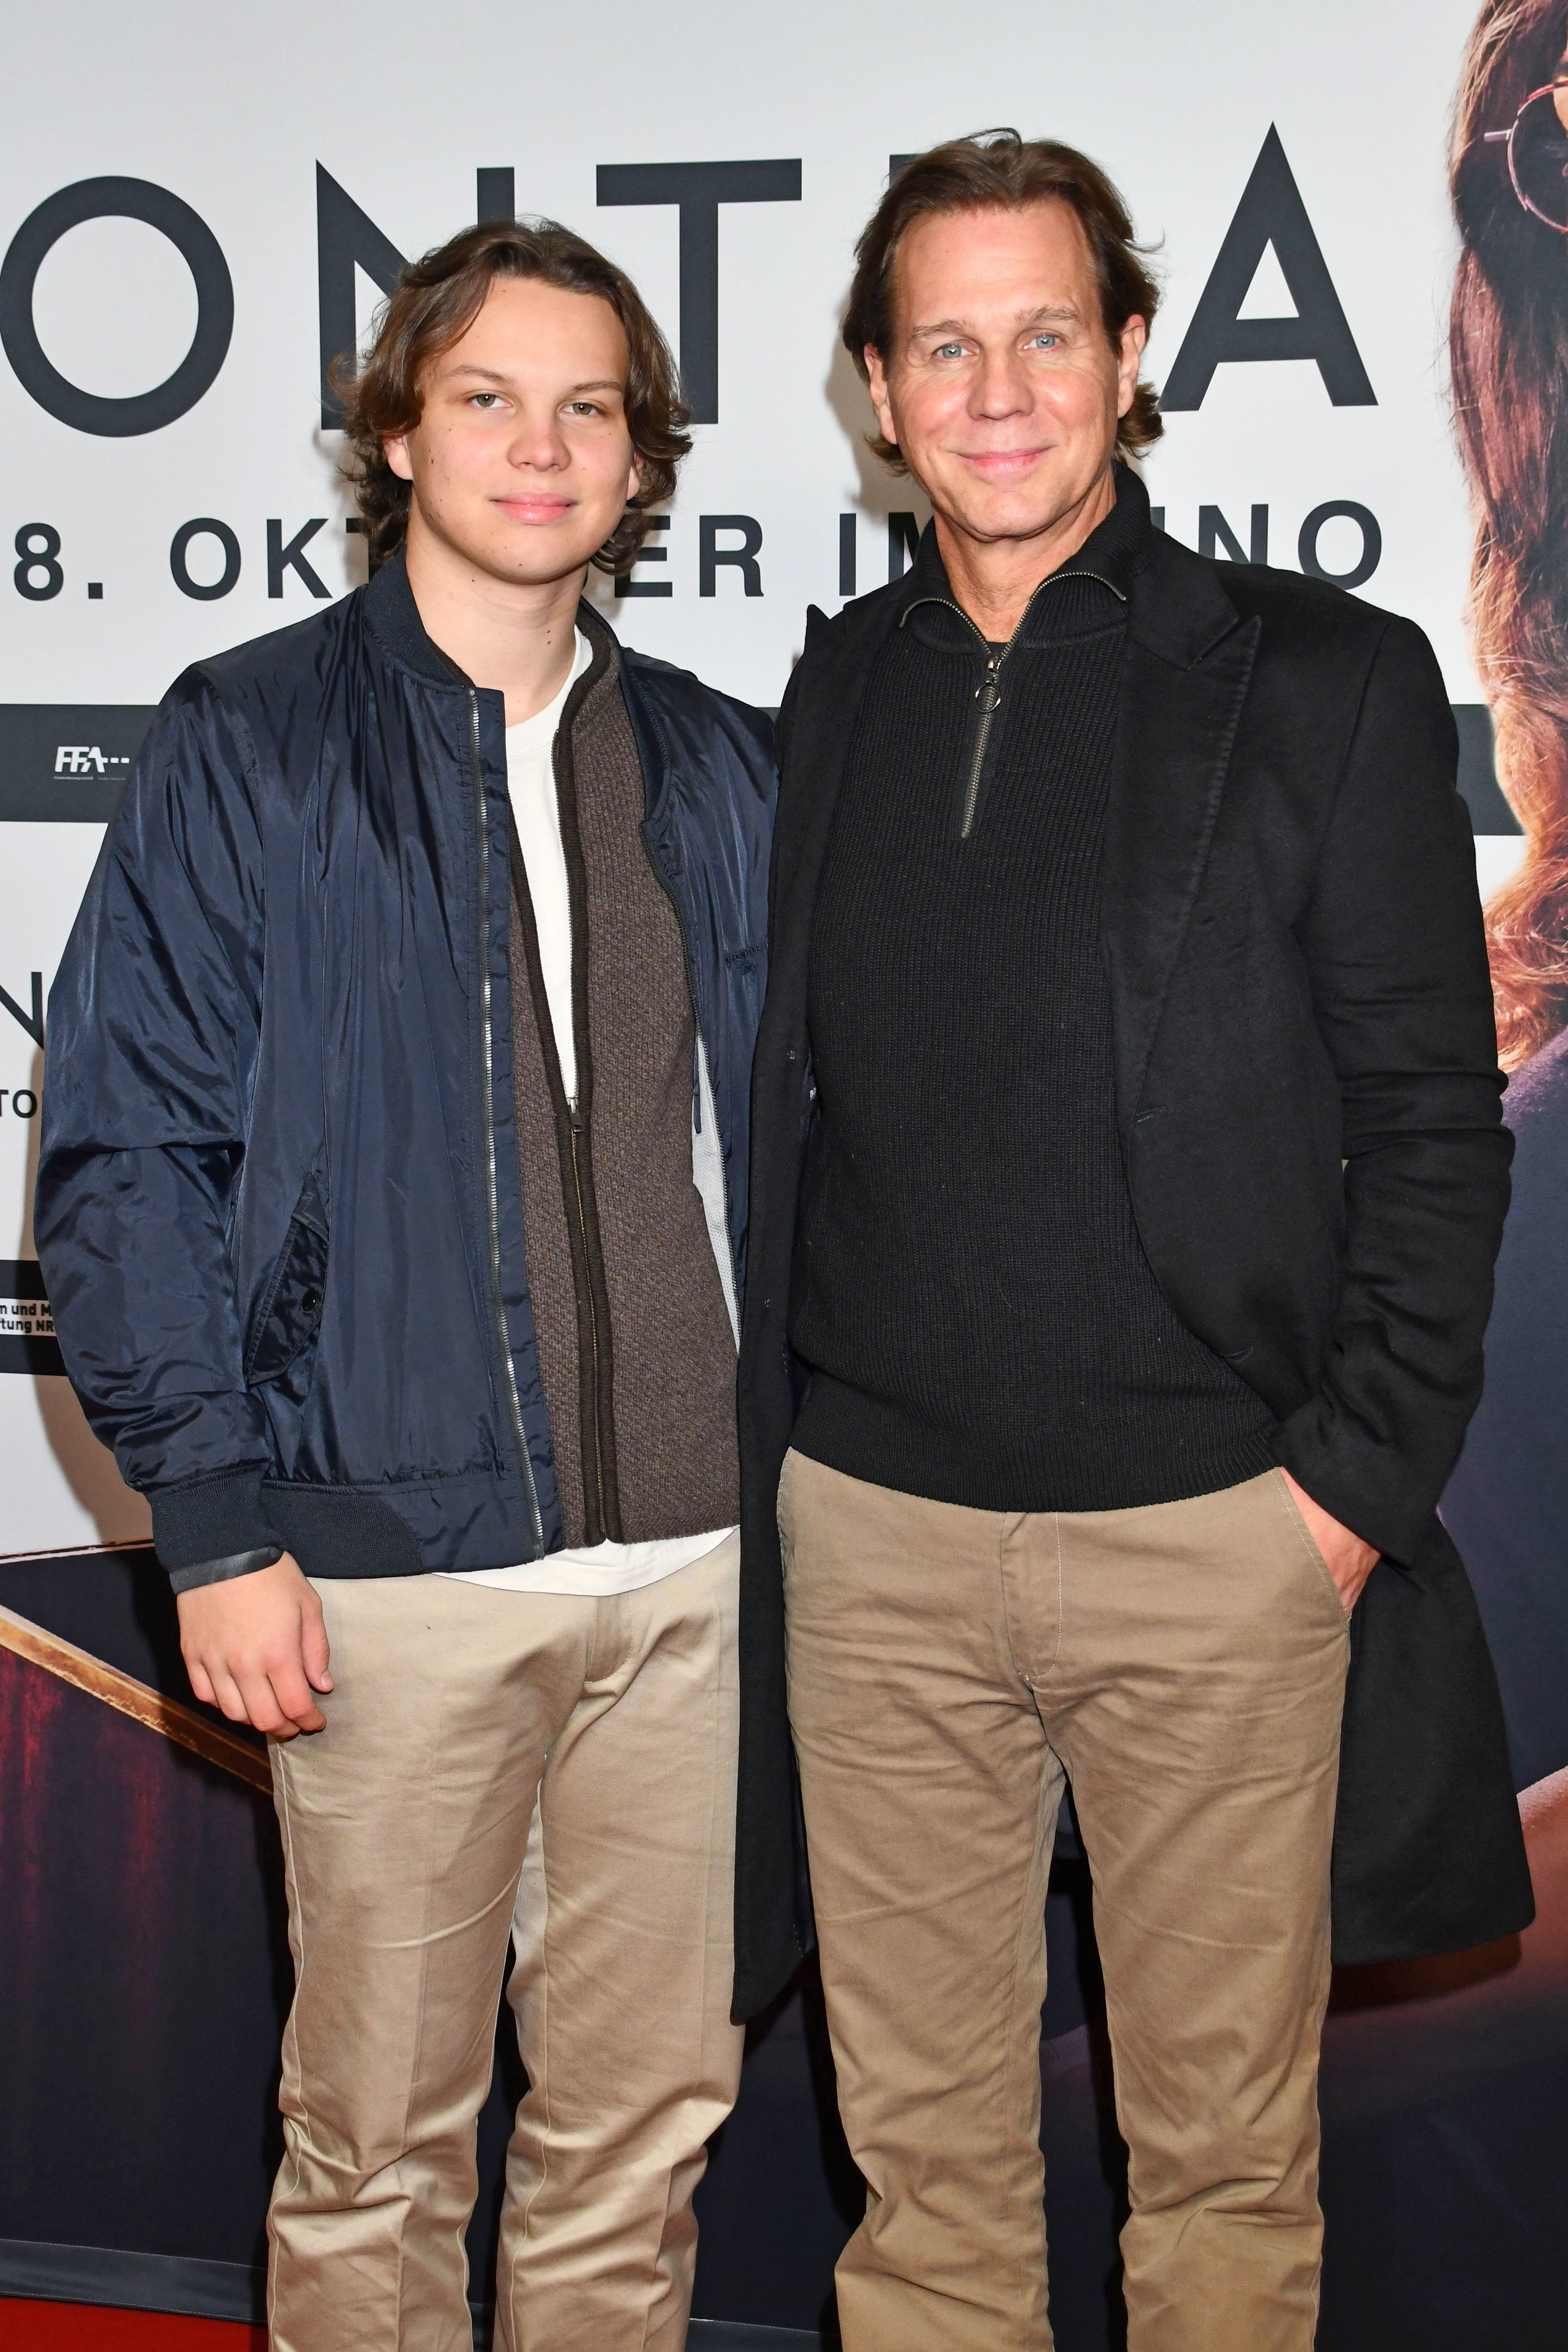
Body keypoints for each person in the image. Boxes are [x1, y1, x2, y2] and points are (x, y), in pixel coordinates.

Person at [732, 132, 1533, 2352]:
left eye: (1046, 336)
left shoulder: (1325, 682)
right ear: (881, 392)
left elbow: (1429, 1131)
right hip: (876, 1555)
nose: (999, 392)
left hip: (1218, 1551)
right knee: (926, 2191)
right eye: (946, 345)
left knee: (1216, 2186)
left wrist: (1343, 1502)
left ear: (1131, 360)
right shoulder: (835, 699)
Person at [36, 217, 775, 2352]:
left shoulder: (721, 763)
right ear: (395, 431)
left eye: (589, 406)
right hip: (381, 1580)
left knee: (640, 2135)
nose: (540, 446)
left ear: (641, 461)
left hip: (700, 1581)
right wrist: (222, 1518)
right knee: (375, 2152)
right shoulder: (247, 736)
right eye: (486, 397)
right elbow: (124, 1154)